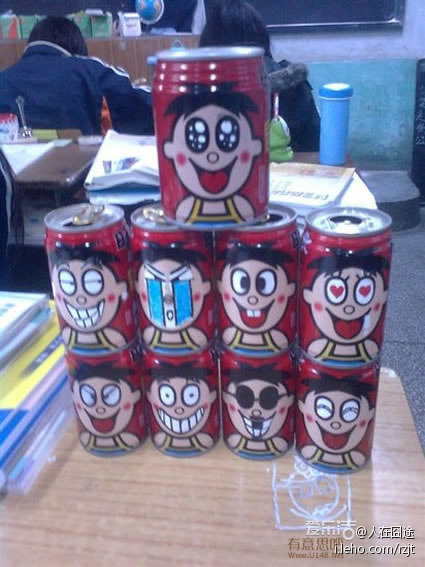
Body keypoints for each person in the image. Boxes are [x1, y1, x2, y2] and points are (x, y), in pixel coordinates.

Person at [0, 16, 154, 136]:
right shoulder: (91, 72)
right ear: (77, 49)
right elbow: (151, 105)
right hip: (86, 167)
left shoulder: (3, 80)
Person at [199, 0, 320, 152]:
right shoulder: (295, 82)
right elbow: (316, 145)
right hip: (292, 165)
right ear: (262, 37)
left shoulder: (199, 90)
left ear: (208, 46)